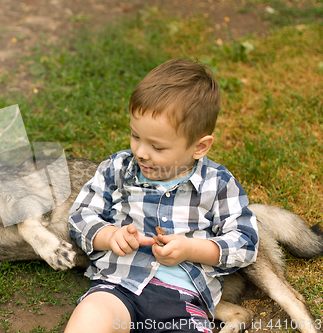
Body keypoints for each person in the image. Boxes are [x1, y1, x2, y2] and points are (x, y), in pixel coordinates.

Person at [66, 58, 259, 333]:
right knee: (89, 317)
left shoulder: (218, 184)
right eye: (135, 136)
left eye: (157, 146)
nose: (141, 152)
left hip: (183, 301)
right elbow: (80, 216)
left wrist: (191, 249)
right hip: (117, 288)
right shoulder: (117, 169)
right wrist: (110, 235)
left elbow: (245, 243)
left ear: (199, 146)